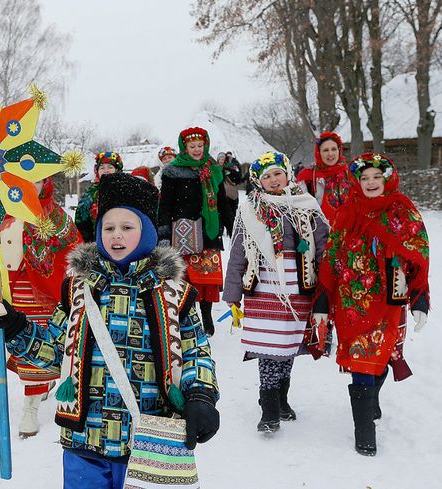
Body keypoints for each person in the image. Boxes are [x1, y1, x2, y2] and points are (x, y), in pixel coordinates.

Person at [0, 172, 219, 489]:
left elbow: (195, 352)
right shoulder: (78, 291)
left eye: (127, 227)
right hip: (83, 442)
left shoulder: (173, 294)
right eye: (108, 228)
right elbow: (54, 354)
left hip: (149, 440)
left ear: (147, 233)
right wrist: (15, 326)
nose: (116, 235)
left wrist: (201, 396)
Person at [313, 153, 429, 456]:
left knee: (382, 356)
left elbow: (419, 254)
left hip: (390, 298)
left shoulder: (403, 210)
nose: (370, 183)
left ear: (387, 178)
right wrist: (324, 300)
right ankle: (364, 428)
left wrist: (421, 298)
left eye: (376, 177)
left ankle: (371, 398)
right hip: (353, 301)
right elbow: (332, 256)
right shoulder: (347, 211)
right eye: (364, 178)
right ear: (357, 182)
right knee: (360, 359)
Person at [223, 151, 328, 433]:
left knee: (288, 347)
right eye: (266, 176)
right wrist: (232, 293)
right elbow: (238, 254)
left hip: (297, 289)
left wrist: (328, 287)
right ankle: (269, 410)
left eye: (276, 174)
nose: (272, 180)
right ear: (258, 181)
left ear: (287, 175)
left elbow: (323, 248)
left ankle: (281, 399)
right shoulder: (250, 211)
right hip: (263, 289)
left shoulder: (307, 206)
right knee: (269, 349)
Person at [0, 177, 82, 438]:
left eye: (35, 180)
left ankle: (31, 405)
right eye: (23, 179)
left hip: (45, 291)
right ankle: (37, 389)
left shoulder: (57, 217)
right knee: (17, 341)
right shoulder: (3, 213)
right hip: (11, 288)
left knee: (39, 343)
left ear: (45, 183)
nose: (29, 185)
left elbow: (74, 249)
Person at [158, 127, 228, 336]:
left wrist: (234, 226)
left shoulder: (213, 169)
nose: (197, 150)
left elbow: (222, 201)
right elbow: (166, 205)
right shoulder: (173, 172)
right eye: (192, 146)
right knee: (188, 279)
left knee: (208, 278)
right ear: (184, 147)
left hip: (209, 230)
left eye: (200, 146)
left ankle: (206, 316)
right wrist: (163, 232)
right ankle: (191, 317)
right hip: (184, 232)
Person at [296, 131, 354, 223]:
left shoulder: (350, 173)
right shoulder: (308, 176)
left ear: (339, 150)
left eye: (334, 149)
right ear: (319, 152)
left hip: (349, 230)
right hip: (320, 231)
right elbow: (302, 210)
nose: (330, 154)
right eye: (326, 150)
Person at [75, 151, 123, 242]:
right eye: (102, 168)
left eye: (110, 167)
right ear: (97, 171)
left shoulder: (125, 190)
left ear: (117, 170)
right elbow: (81, 221)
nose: (106, 170)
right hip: (96, 242)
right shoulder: (91, 194)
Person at [219, 151, 243, 238]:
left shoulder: (231, 167)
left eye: (223, 158)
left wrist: (230, 172)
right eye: (220, 159)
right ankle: (222, 232)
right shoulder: (216, 168)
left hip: (231, 194)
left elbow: (238, 178)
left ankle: (231, 232)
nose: (221, 160)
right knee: (222, 214)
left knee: (231, 213)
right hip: (224, 194)